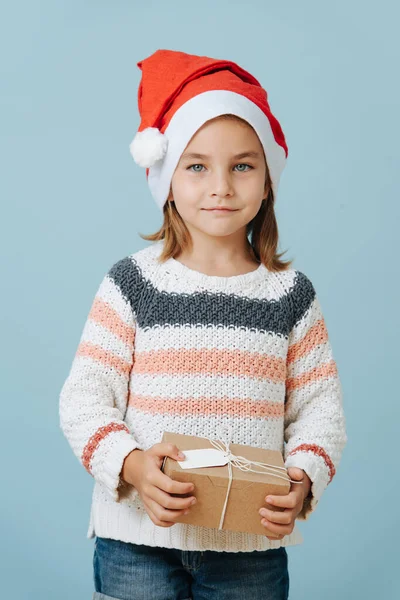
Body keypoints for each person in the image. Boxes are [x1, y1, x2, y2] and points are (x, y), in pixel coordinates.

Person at [59, 49, 347, 600]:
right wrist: (131, 465)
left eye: (242, 165)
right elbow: (84, 397)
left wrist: (305, 476)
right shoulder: (132, 284)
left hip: (248, 549)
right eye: (197, 166)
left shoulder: (290, 295)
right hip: (136, 541)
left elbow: (320, 410)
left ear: (268, 182)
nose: (221, 186)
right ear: (166, 179)